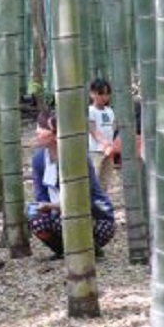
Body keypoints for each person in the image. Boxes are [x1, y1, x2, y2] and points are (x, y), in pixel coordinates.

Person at [27, 109, 115, 260]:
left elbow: (84, 199)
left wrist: (53, 207)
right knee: (32, 213)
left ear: (56, 134)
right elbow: (40, 194)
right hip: (58, 214)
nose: (37, 132)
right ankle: (63, 251)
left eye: (42, 129)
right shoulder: (39, 159)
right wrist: (46, 207)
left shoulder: (77, 157)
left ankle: (91, 249)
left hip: (94, 217)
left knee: (65, 217)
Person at [87, 77, 116, 192]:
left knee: (105, 179)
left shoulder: (110, 111)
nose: (104, 97)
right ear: (92, 94)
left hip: (109, 150)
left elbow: (113, 128)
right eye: (101, 94)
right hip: (96, 151)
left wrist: (111, 146)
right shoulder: (91, 111)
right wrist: (105, 144)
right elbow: (93, 130)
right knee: (94, 177)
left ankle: (102, 201)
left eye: (107, 94)